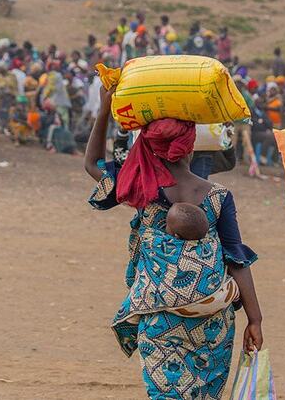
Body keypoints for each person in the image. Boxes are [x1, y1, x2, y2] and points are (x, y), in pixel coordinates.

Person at [84, 87, 264, 399]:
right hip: (213, 322)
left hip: (159, 316)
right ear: (191, 147)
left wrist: (103, 110)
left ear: (150, 149)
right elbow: (236, 259)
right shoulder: (218, 197)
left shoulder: (141, 187)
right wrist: (255, 319)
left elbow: (93, 163)